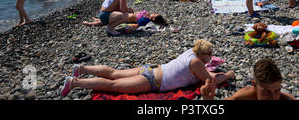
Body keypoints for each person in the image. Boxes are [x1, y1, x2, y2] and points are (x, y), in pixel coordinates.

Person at [61, 39, 235, 97]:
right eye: (210, 54)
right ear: (202, 54)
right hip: (153, 81)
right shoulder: (197, 63)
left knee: (114, 73)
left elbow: (202, 72)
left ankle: (82, 68)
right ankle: (75, 82)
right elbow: (210, 79)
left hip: (150, 69)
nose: (211, 57)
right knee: (112, 86)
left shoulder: (191, 52)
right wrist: (227, 74)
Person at [201, 59, 295, 100]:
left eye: (277, 91)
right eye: (267, 92)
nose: (274, 98)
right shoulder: (245, 96)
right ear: (254, 85)